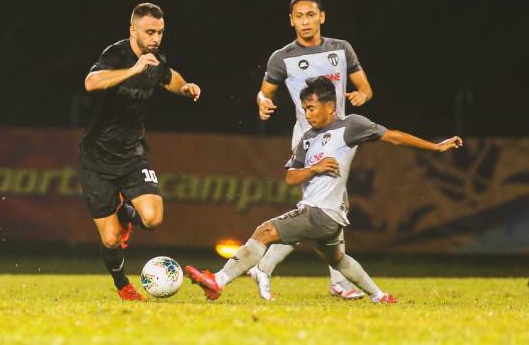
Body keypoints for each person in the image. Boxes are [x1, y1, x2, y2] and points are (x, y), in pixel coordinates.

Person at [186, 77, 462, 303]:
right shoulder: (307, 139)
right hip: (327, 219)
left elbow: (392, 137)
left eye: (311, 108)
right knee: (338, 259)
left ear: (330, 107)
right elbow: (291, 179)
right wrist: (313, 170)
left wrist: (435, 146)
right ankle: (379, 296)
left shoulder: (350, 126)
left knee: (264, 231)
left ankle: (218, 281)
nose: (307, 114)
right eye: (304, 109)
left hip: (321, 213)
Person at [252, 0, 374, 300]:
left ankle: (327, 279)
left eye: (310, 15)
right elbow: (263, 93)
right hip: (309, 141)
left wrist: (362, 96)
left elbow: (365, 88)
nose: (305, 21)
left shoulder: (341, 49)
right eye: (299, 16)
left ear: (322, 17)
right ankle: (266, 267)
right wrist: (263, 104)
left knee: (328, 211)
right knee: (320, 213)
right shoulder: (282, 57)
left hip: (341, 140)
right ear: (291, 21)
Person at [79, 2, 201, 301]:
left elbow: (169, 77)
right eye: (149, 32)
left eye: (160, 32)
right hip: (96, 158)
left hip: (133, 154)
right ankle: (123, 285)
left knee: (153, 218)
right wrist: (132, 70)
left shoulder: (156, 59)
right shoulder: (116, 54)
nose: (155, 38)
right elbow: (91, 82)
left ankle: (124, 211)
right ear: (133, 30)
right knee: (110, 240)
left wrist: (185, 88)